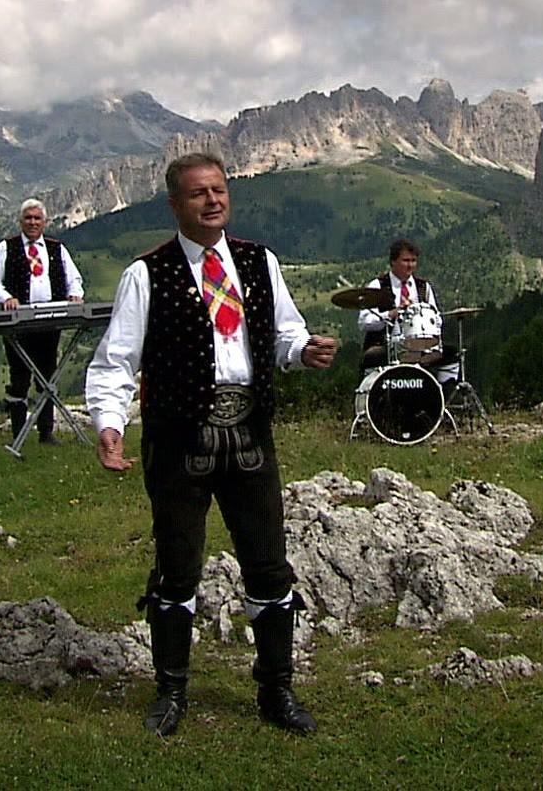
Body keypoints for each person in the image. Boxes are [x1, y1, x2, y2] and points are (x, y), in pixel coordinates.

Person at [84, 152, 338, 738]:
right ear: (176, 204)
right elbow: (116, 361)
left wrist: (303, 352)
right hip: (178, 441)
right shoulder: (146, 275)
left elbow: (284, 333)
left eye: (219, 190)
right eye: (198, 194)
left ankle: (277, 690)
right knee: (177, 569)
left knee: (269, 567)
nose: (213, 201)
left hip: (250, 435)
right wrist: (109, 425)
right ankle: (171, 692)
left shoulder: (258, 262)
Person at [0, 198, 85, 443]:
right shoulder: (6, 248)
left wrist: (76, 295)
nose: (32, 222)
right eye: (28, 218)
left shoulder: (56, 248)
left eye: (37, 218)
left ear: (45, 222)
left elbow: (74, 279)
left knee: (47, 374)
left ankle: (46, 432)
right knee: (19, 377)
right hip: (19, 322)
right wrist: (7, 298)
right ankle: (19, 433)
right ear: (20, 221)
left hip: (51, 320)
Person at [357, 238, 438, 371]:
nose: (410, 265)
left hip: (418, 347)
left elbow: (436, 318)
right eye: (405, 261)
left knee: (451, 356)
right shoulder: (378, 286)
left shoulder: (423, 287)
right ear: (393, 262)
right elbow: (364, 322)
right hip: (385, 347)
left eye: (413, 261)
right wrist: (391, 314)